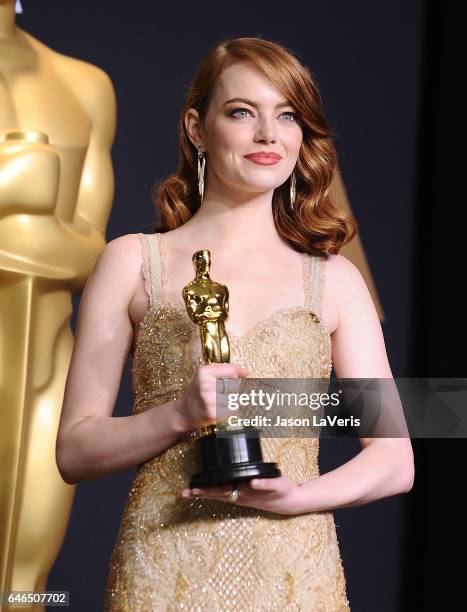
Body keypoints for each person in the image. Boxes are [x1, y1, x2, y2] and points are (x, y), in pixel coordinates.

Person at [56, 37, 415, 611]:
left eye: (288, 115)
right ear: (197, 128)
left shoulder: (336, 280)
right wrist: (179, 414)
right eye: (242, 112)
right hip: (164, 569)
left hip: (297, 574)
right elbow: (75, 449)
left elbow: (395, 460)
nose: (269, 135)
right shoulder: (132, 262)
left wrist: (296, 497)